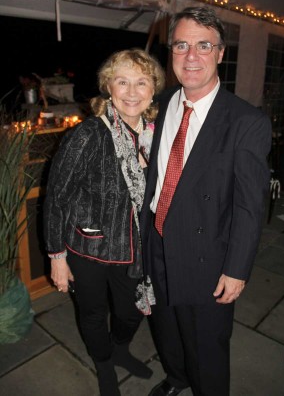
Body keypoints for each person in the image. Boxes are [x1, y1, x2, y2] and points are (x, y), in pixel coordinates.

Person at [140, 6, 272, 396]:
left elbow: (251, 205)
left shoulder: (246, 121)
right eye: (181, 45)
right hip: (157, 241)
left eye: (203, 45)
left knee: (207, 346)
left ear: (220, 53)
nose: (191, 56)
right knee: (166, 328)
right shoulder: (158, 105)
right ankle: (177, 378)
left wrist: (237, 268)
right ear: (172, 52)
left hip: (207, 257)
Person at [43, 48, 165, 396]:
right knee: (93, 313)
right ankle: (103, 362)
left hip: (137, 249)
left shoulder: (156, 138)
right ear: (108, 87)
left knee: (133, 312)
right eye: (122, 81)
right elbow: (56, 200)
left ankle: (120, 349)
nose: (131, 92)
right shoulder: (88, 135)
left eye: (141, 82)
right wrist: (57, 258)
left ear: (152, 89)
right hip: (89, 247)